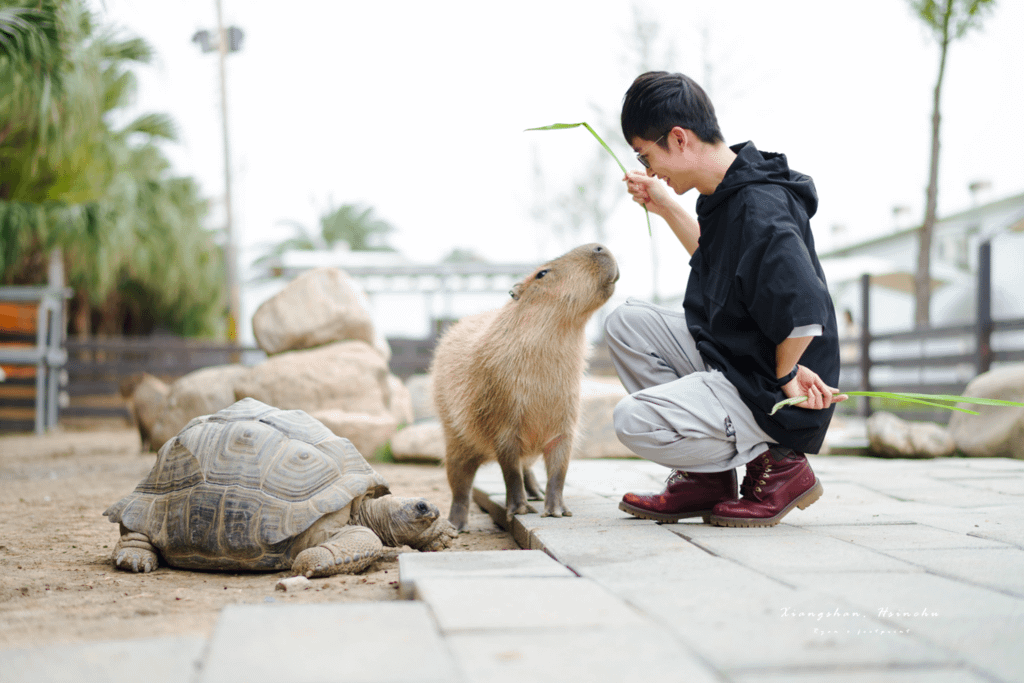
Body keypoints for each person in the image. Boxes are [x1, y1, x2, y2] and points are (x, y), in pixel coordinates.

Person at [606, 71, 847, 527]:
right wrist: (664, 204)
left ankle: (779, 463)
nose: (648, 168)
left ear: (678, 138)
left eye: (646, 154)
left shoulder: (760, 207)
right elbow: (719, 260)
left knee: (633, 420)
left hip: (773, 388)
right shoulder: (729, 190)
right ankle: (706, 479)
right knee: (627, 323)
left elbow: (805, 309)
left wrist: (787, 373)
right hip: (739, 356)